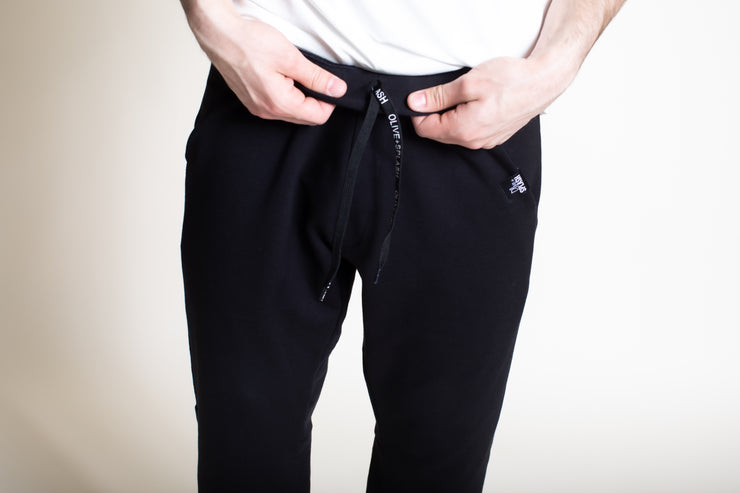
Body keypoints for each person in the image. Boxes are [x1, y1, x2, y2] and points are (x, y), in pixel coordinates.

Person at [178, 0, 625, 491]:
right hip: (270, 93)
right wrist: (211, 19)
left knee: (438, 457)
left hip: (472, 121)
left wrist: (557, 64)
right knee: (242, 448)